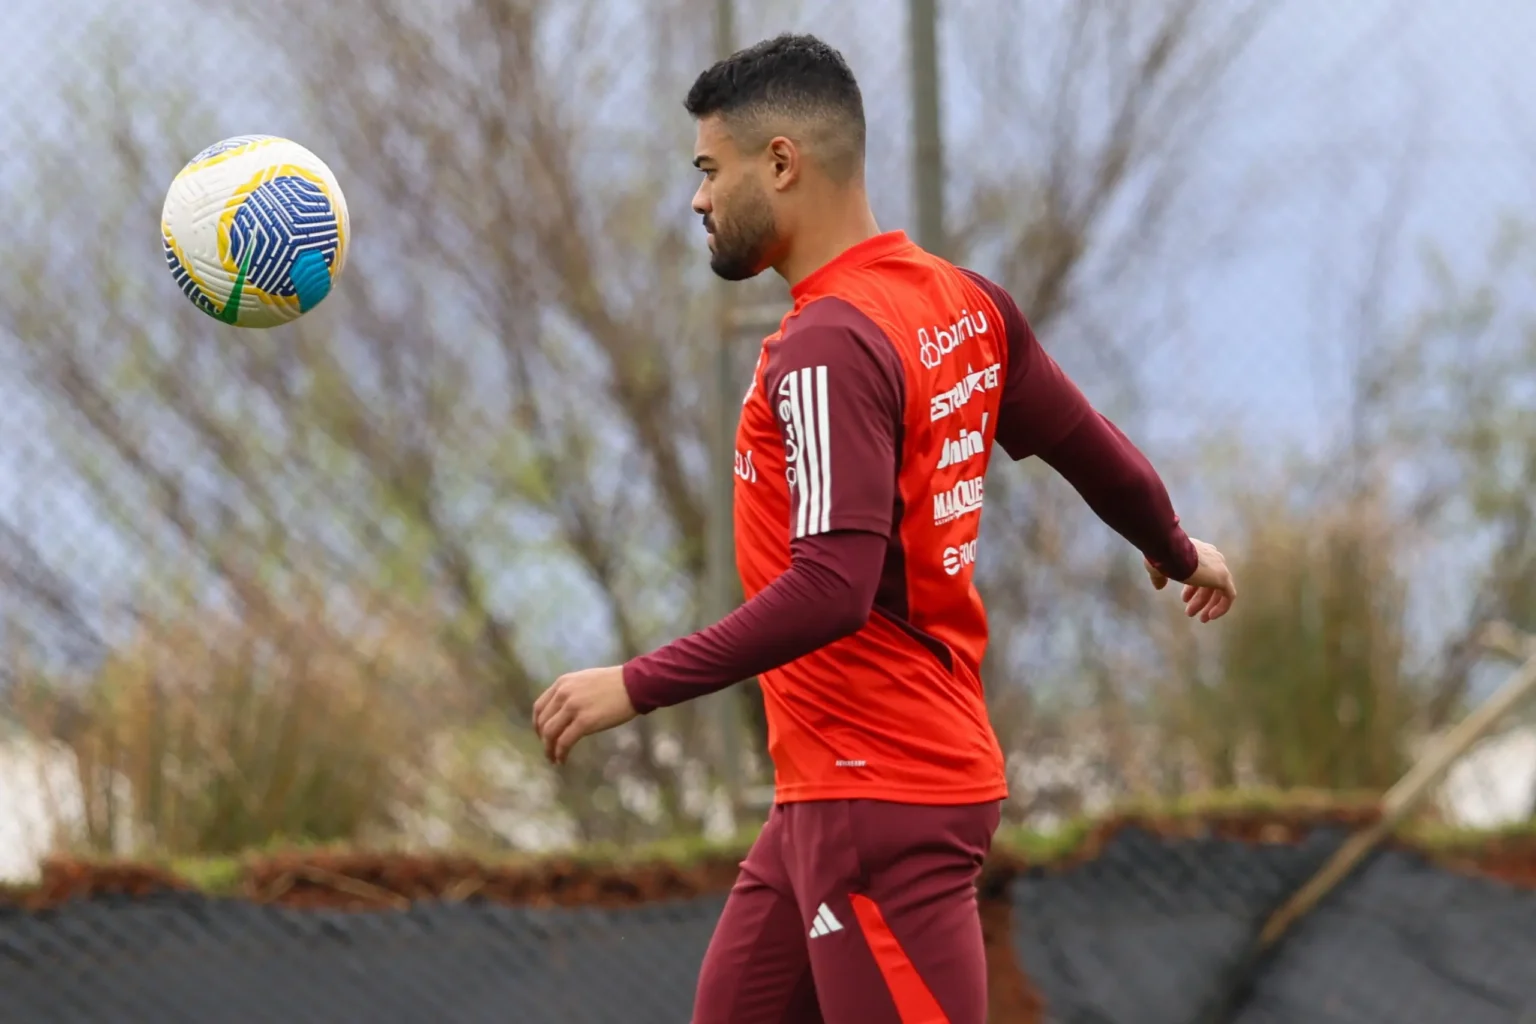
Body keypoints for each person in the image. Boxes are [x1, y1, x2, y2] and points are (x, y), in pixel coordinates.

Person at [533, 32, 1237, 1024]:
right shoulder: (961, 303)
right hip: (836, 789)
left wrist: (634, 685)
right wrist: (1172, 545)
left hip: (882, 799)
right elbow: (1096, 452)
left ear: (780, 163)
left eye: (708, 169)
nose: (695, 199)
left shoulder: (828, 344)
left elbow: (833, 584)